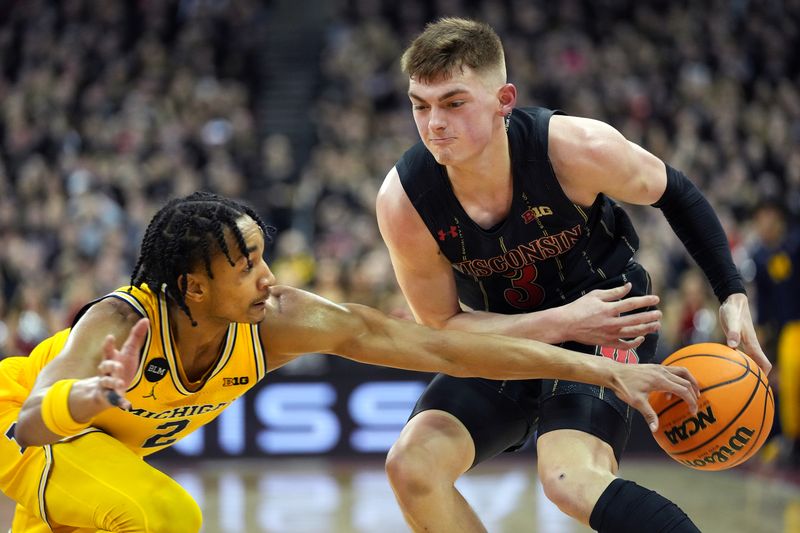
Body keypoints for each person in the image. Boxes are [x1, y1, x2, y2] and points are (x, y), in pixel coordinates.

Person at [0, 192, 698, 533]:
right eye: (246, 266)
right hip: (27, 433)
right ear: (193, 286)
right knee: (166, 513)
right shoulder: (118, 322)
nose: (268, 277)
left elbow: (442, 345)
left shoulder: (276, 323)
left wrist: (602, 369)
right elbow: (30, 425)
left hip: (80, 458)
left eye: (263, 255)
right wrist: (85, 399)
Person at [375, 17, 771, 533]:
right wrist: (560, 322)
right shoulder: (405, 203)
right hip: (508, 334)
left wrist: (731, 293)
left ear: (504, 100)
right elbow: (442, 325)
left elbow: (676, 191)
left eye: (453, 102)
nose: (434, 124)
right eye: (419, 105)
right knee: (410, 467)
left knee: (569, 481)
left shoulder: (575, 147)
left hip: (608, 317)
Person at [750, 199, 800, 469]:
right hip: (784, 331)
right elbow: (764, 306)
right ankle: (786, 441)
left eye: (768, 216)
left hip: (794, 326)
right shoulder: (760, 258)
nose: (764, 223)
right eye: (760, 218)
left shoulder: (795, 246)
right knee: (782, 381)